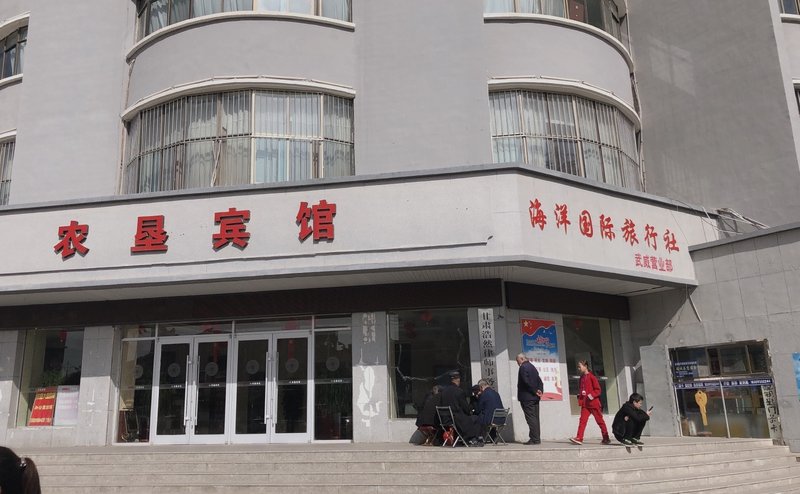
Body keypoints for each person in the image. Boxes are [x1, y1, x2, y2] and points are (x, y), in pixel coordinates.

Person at [569, 360, 610, 445]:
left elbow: (598, 390)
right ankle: (579, 438)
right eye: (578, 367)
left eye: (580, 366)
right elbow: (582, 389)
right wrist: (580, 395)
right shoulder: (581, 378)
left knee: (600, 421)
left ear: (585, 366)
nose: (578, 368)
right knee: (582, 421)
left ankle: (606, 438)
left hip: (594, 404)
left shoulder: (592, 377)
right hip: (585, 404)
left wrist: (591, 395)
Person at [439, 371, 483, 446]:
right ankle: (473, 439)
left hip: (445, 419)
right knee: (476, 418)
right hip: (457, 420)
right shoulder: (459, 391)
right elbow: (466, 409)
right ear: (458, 380)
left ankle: (464, 439)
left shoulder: (444, 391)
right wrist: (472, 404)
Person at [516, 353, 544, 445]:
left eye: (517, 361)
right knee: (535, 418)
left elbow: (526, 381)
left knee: (531, 418)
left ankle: (534, 439)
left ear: (521, 359)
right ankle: (536, 438)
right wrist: (539, 390)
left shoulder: (523, 367)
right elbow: (539, 381)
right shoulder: (532, 367)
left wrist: (535, 390)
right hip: (535, 397)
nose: (517, 363)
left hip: (527, 397)